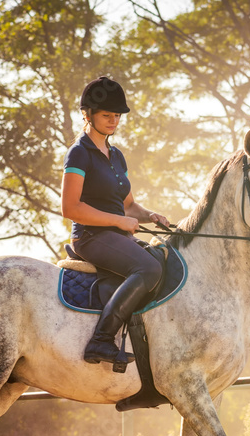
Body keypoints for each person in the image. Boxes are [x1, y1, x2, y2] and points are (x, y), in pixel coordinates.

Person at [61, 76, 171, 366]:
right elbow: (70, 207)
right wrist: (118, 222)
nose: (113, 121)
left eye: (117, 115)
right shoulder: (79, 153)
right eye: (106, 115)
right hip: (90, 237)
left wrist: (149, 215)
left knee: (165, 259)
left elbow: (129, 205)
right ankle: (101, 340)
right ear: (88, 115)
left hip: (117, 237)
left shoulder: (116, 156)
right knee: (148, 267)